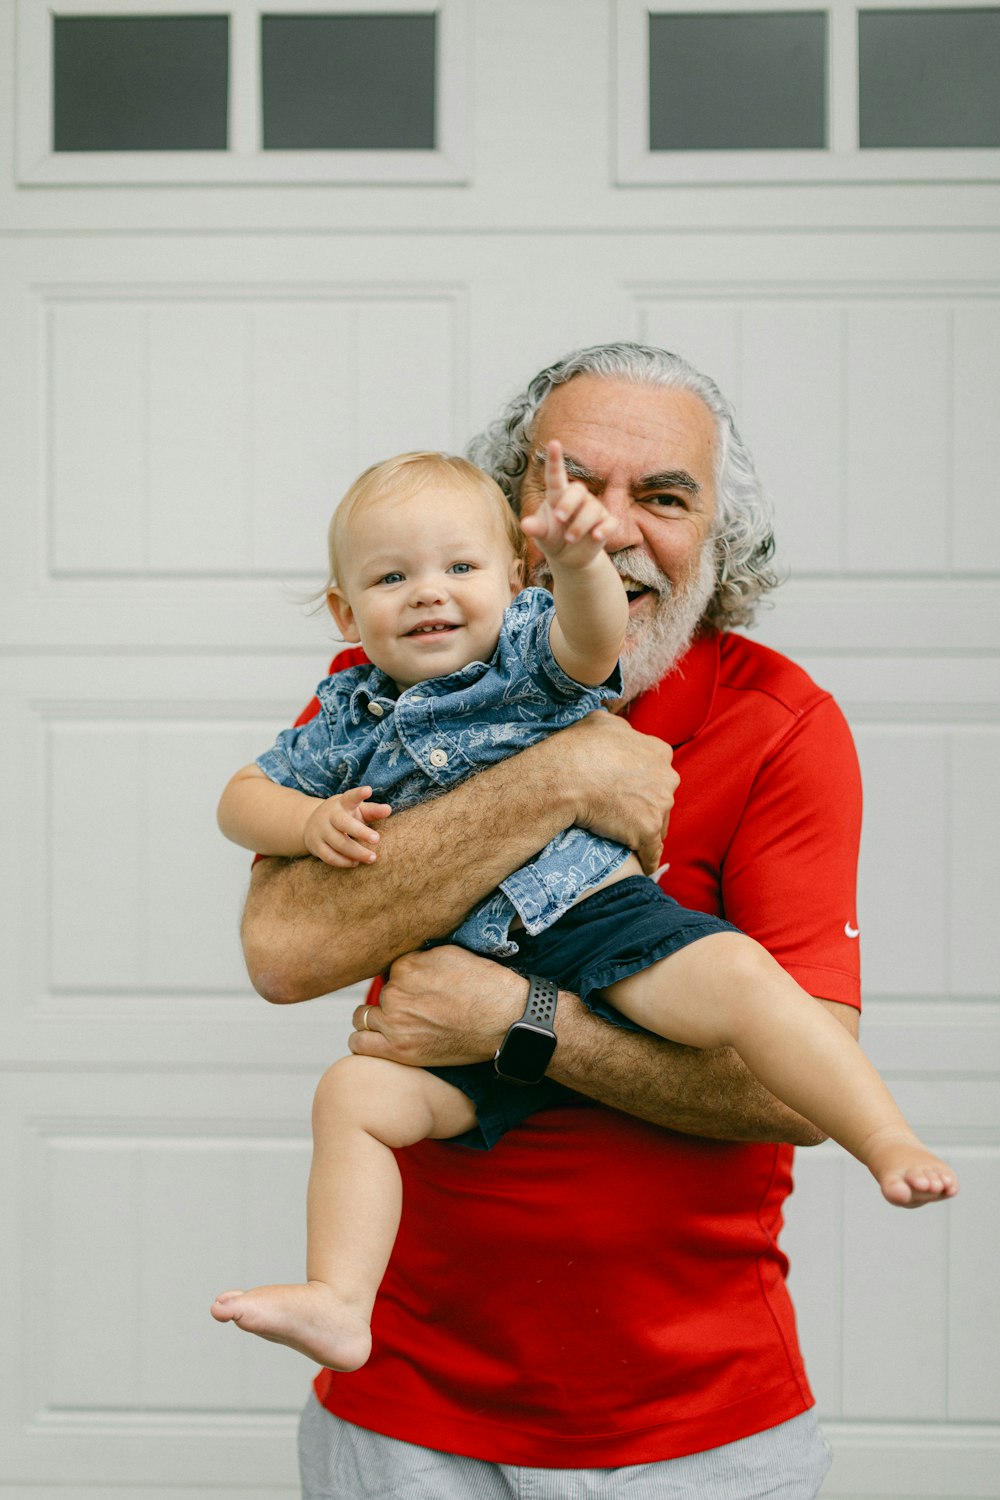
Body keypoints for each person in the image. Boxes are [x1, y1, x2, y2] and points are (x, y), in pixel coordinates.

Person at [233, 343, 902, 1497]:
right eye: (575, 485)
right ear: (516, 521)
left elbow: (800, 1087)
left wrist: (520, 1021)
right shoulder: (387, 688)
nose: (614, 526)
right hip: (405, 1408)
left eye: (665, 497)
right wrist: (561, 781)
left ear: (716, 539)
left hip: (692, 1424)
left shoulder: (783, 726)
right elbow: (284, 952)